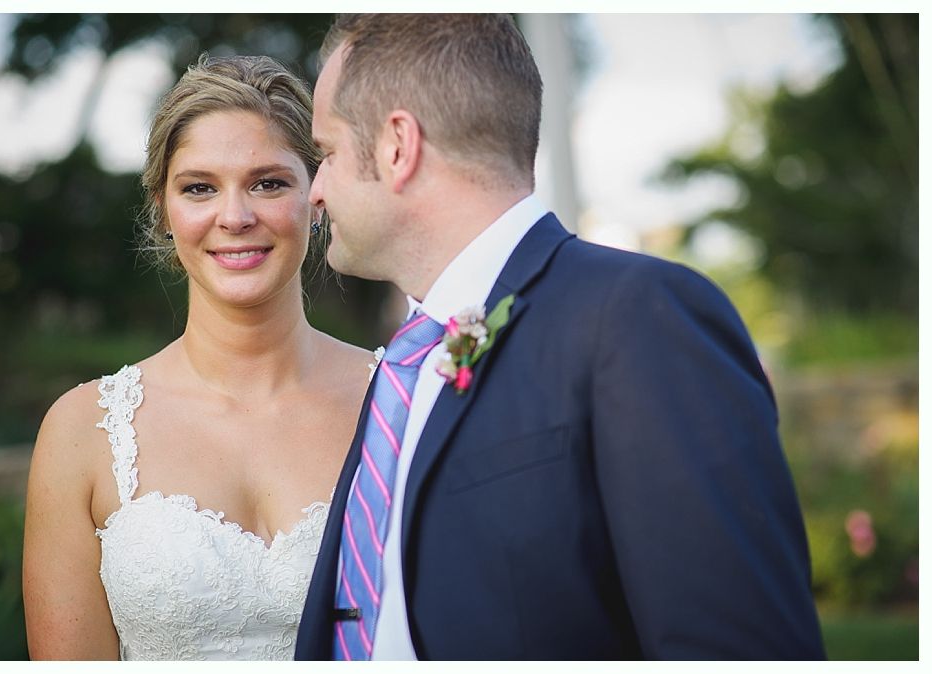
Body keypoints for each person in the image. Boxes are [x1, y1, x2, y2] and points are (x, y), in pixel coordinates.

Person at [296, 14, 826, 660]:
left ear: (397, 146)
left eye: (325, 153)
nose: (314, 193)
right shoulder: (401, 367)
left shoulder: (637, 318)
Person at [22, 54, 374, 660]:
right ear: (163, 209)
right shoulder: (83, 432)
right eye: (200, 188)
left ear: (315, 198)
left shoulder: (402, 398)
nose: (235, 217)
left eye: (268, 182)